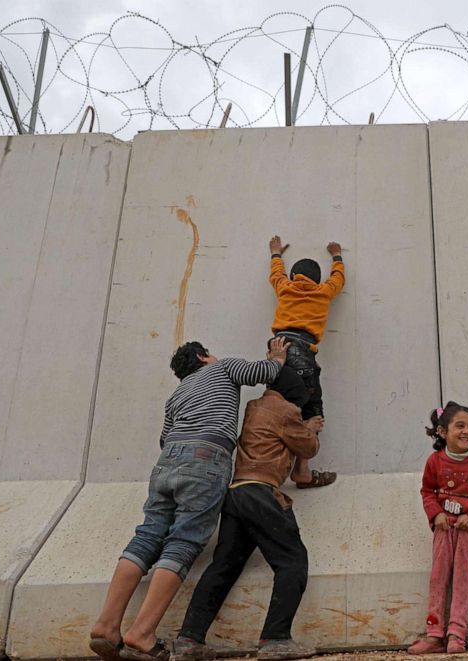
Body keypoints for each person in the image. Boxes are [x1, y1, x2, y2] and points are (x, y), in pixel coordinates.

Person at [89, 339, 288, 661]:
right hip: (206, 457)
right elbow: (262, 372)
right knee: (183, 542)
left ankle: (106, 626)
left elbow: (164, 439)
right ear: (202, 357)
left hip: (167, 461)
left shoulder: (177, 395)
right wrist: (278, 356)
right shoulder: (222, 367)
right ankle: (140, 633)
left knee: (146, 537)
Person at [173, 366, 322, 661]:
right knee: (292, 561)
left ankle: (189, 639)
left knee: (224, 566)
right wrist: (311, 428)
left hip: (236, 492)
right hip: (262, 493)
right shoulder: (286, 411)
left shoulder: (254, 406)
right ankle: (275, 639)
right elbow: (309, 447)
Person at [408, 402, 468, 655]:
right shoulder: (435, 461)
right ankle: (434, 634)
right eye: (459, 425)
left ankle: (456, 634)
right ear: (442, 431)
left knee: (462, 578)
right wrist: (435, 514)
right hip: (443, 527)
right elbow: (427, 491)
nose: (466, 431)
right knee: (438, 577)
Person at [268, 234, 345, 489]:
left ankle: (270, 467)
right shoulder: (322, 292)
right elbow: (338, 280)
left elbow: (275, 274)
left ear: (293, 277)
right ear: (317, 280)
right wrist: (337, 256)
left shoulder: (285, 287)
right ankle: (302, 469)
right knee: (312, 409)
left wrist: (276, 253)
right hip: (303, 350)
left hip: (277, 349)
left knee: (277, 407)